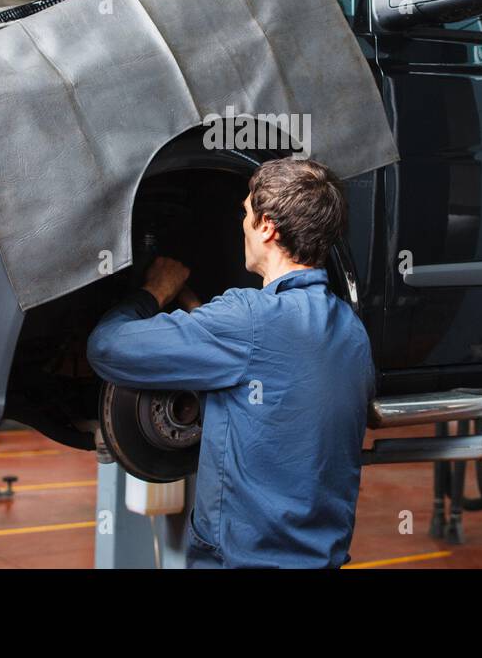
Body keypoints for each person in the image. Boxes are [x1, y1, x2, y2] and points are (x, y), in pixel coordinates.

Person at [87, 157, 376, 568]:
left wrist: (153, 291)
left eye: (245, 213)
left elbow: (107, 347)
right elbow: (282, 396)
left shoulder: (247, 318)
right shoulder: (352, 332)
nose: (241, 223)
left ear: (267, 227)